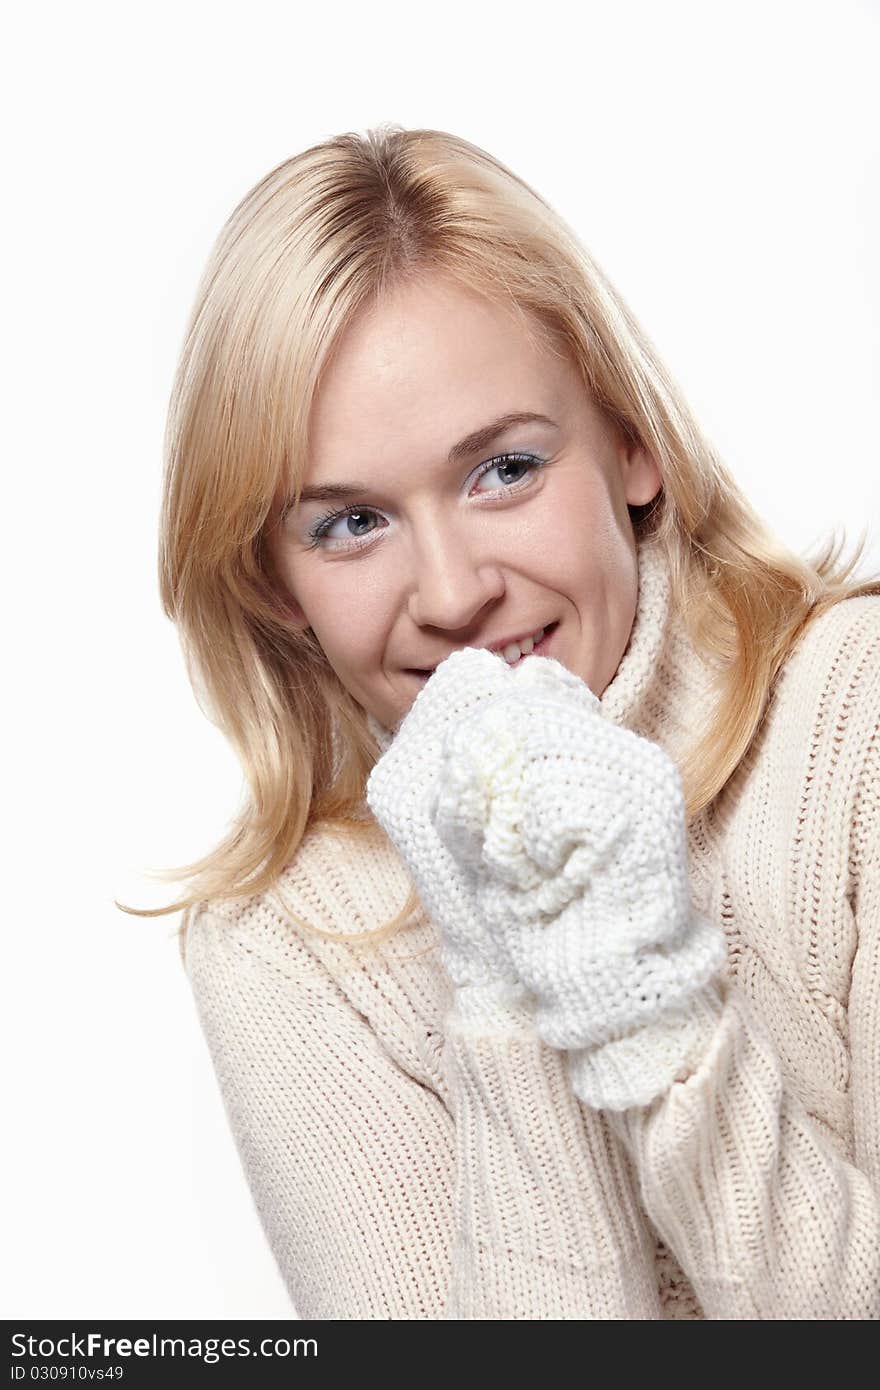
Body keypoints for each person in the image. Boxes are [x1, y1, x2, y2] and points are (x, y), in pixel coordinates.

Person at [123, 124, 880, 1319]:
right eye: (348, 525)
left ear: (634, 444)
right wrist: (505, 980)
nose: (452, 591)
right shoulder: (282, 941)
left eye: (504, 470)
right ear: (278, 586)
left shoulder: (858, 720)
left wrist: (650, 1011)